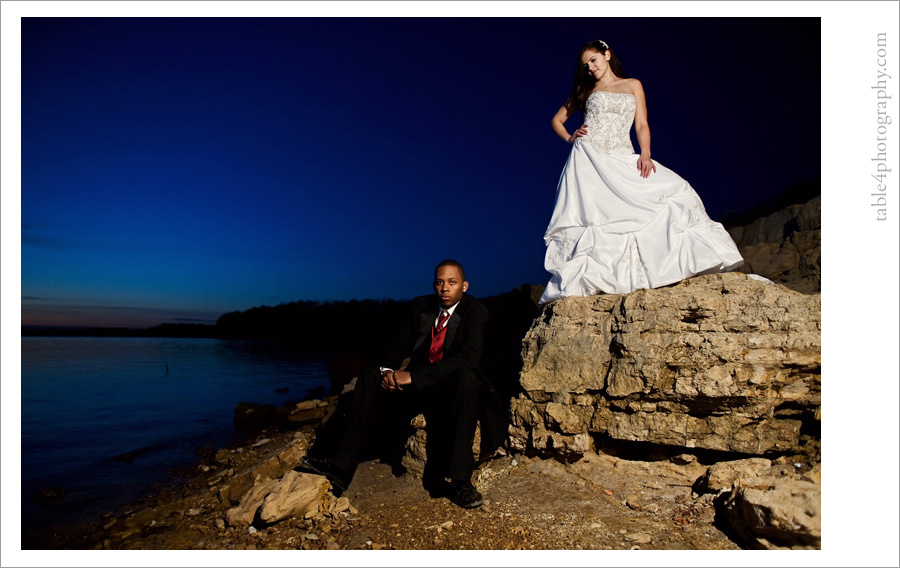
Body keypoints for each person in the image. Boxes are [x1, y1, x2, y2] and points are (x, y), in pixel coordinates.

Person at [540, 39, 744, 304]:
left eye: (593, 60)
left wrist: (645, 154)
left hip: (622, 153)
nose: (590, 68)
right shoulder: (585, 91)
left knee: (673, 191)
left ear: (607, 55)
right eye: (585, 65)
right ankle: (600, 278)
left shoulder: (632, 84)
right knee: (598, 218)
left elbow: (642, 124)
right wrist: (570, 138)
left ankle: (656, 269)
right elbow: (557, 120)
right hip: (589, 157)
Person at [297, 259, 505, 509]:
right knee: (370, 375)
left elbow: (469, 359)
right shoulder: (421, 306)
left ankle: (461, 482)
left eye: (452, 282)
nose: (445, 288)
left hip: (450, 390)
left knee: (469, 379)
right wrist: (387, 371)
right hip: (417, 390)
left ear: (465, 286)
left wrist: (413, 376)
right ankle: (341, 468)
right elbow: (397, 346)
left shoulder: (477, 312)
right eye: (440, 282)